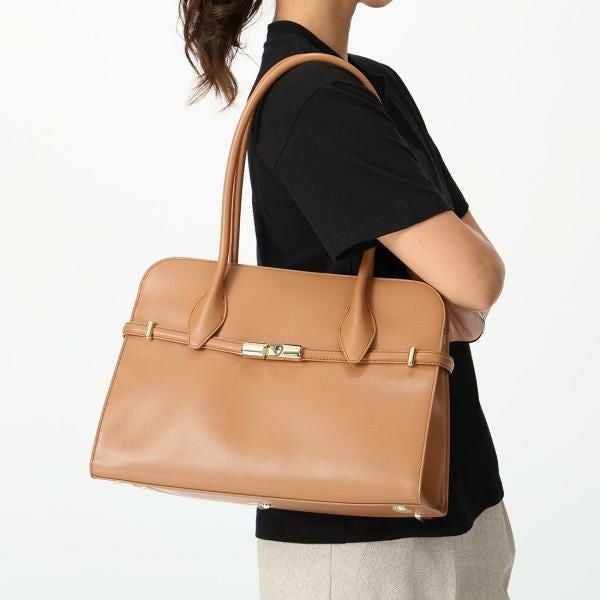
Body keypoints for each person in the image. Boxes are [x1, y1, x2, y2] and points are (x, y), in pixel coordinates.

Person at [179, 1, 515, 598]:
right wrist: (446, 289)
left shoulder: (371, 84)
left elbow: (471, 273)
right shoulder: (311, 97)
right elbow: (477, 278)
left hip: (458, 495)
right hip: (358, 537)